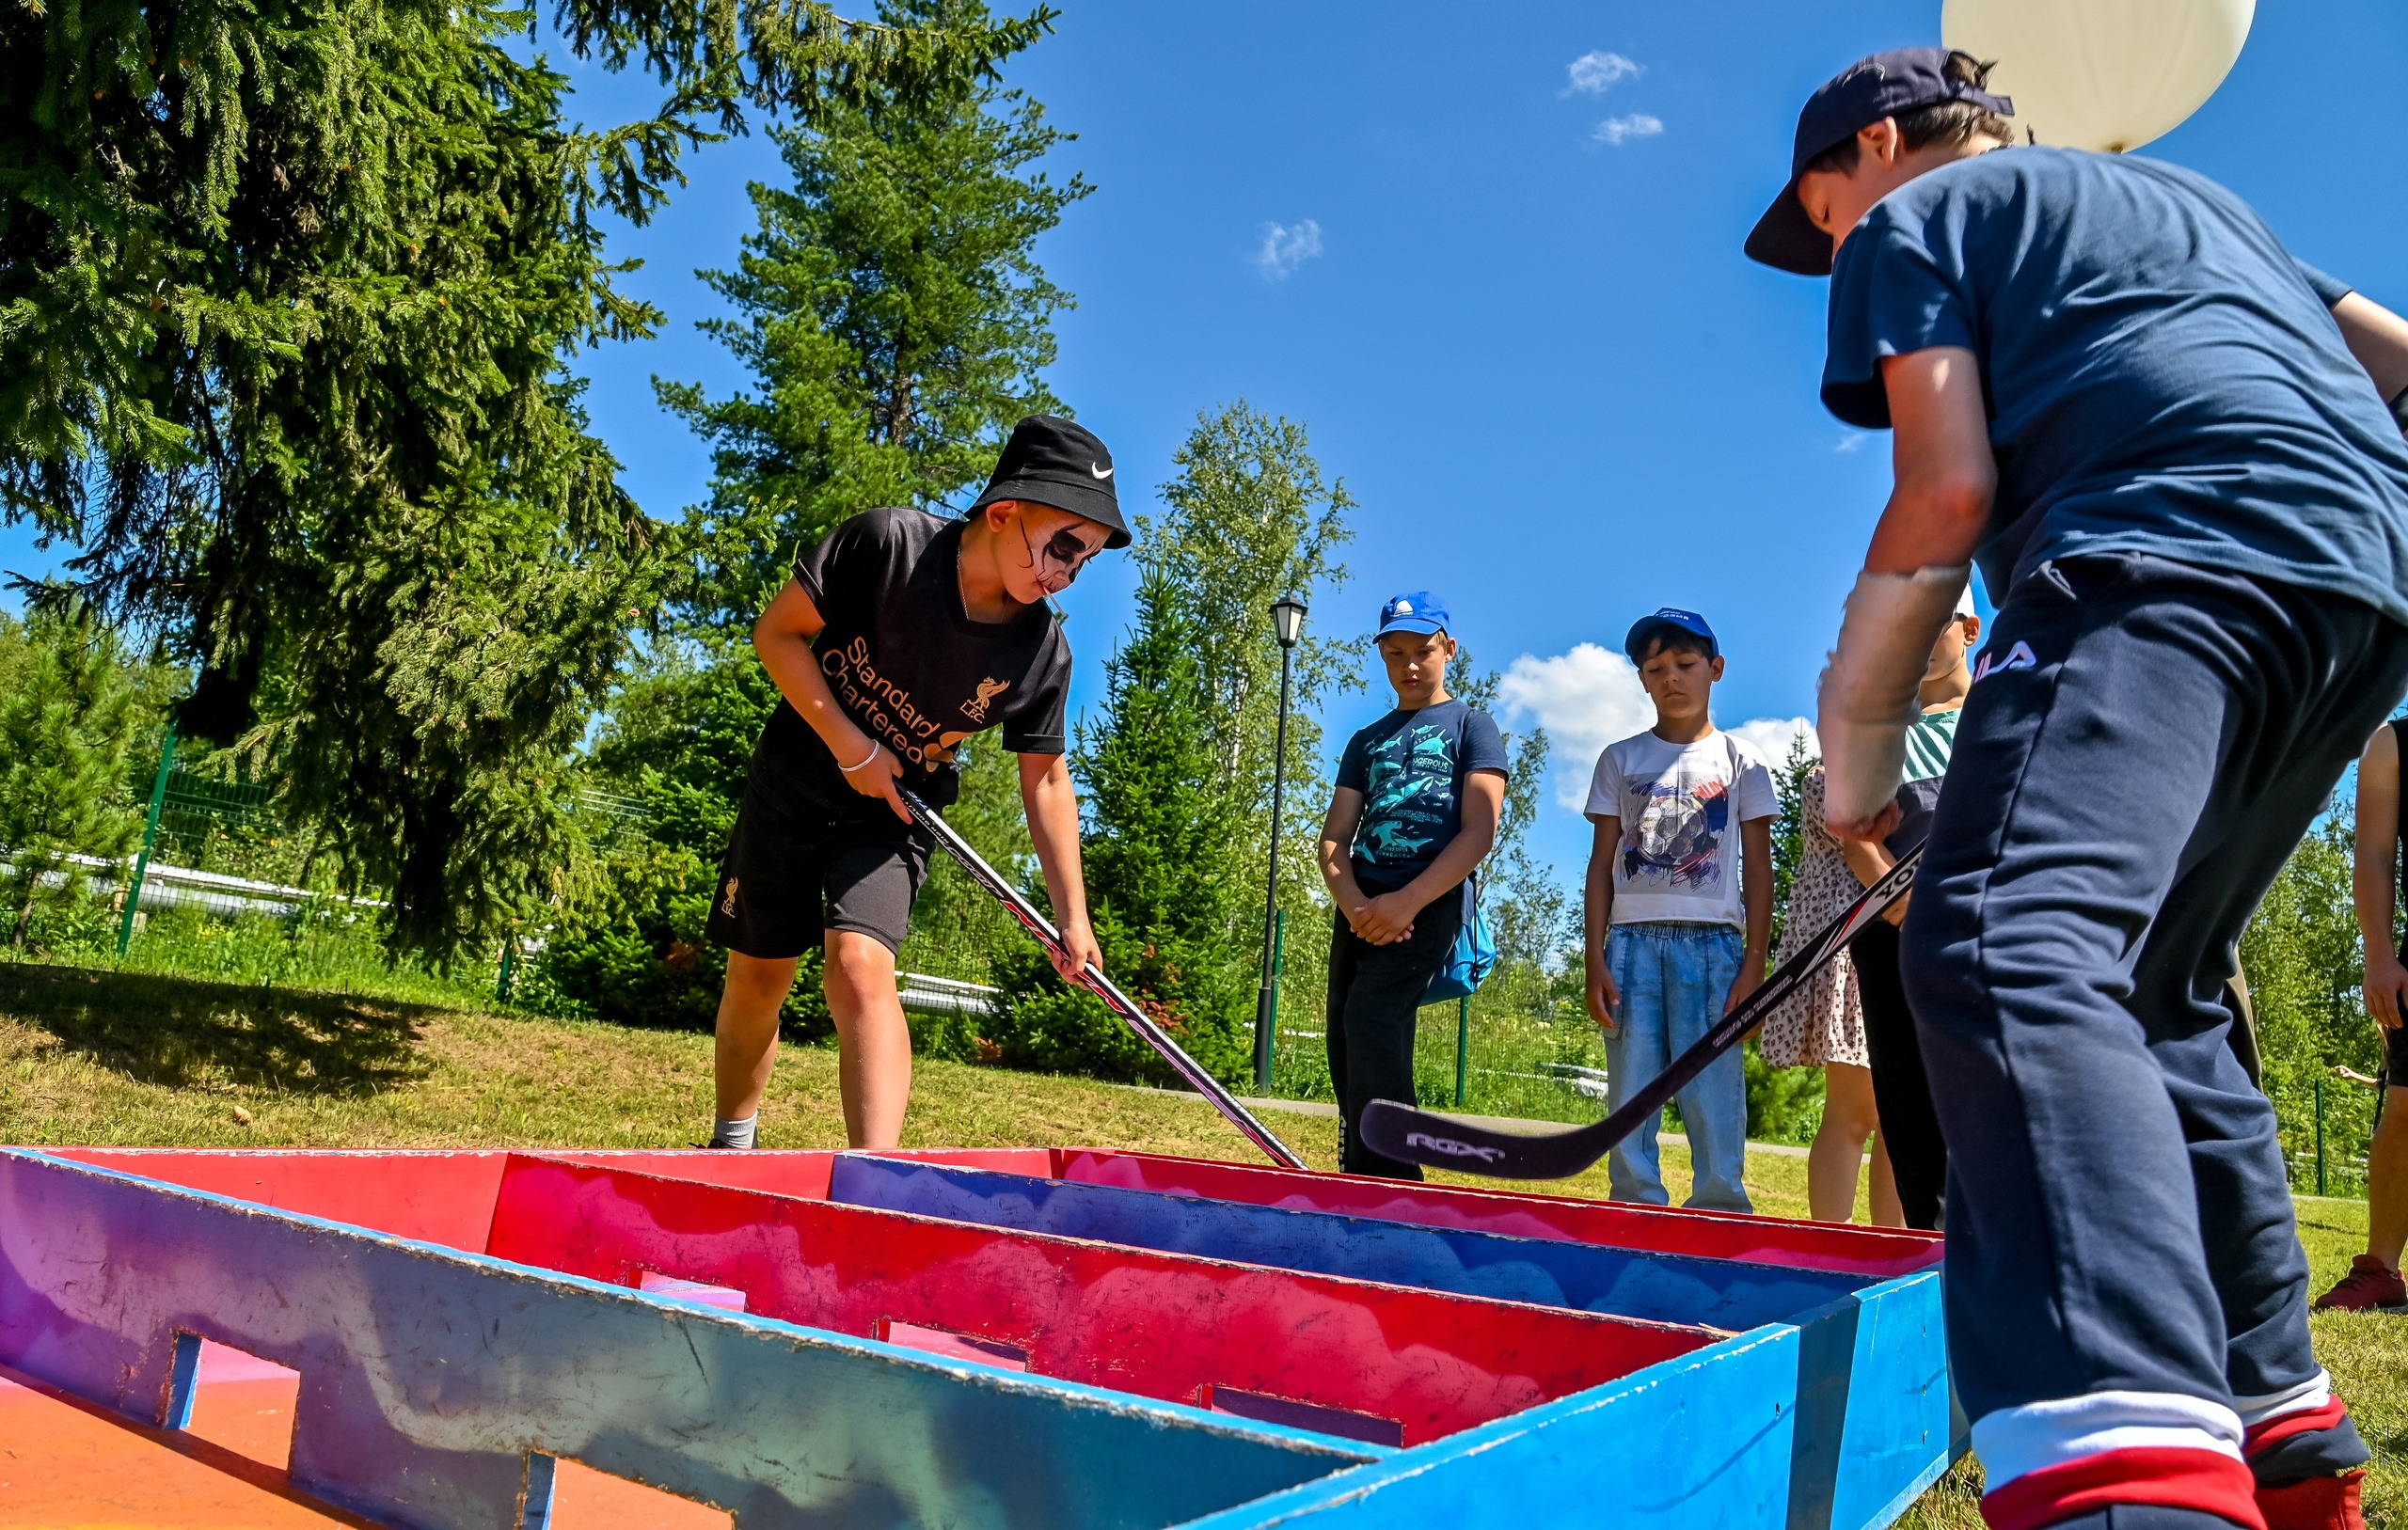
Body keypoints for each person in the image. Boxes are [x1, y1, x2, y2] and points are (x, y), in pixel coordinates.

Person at [1748, 44, 2408, 1530]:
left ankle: (2135, 1478)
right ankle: (2290, 1445)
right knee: (2160, 989)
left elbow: (1948, 489)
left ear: (1854, 157)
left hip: (2158, 546)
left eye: (1823, 217)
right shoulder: (2196, 207)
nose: (1835, 250)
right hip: (2359, 580)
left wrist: (1853, 748)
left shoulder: (1914, 225)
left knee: (1999, 939)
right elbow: (2401, 359)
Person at [703, 416, 1127, 1151]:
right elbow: (777, 634)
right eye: (1063, 544)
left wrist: (1075, 918)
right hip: (795, 777)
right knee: (758, 977)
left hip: (894, 813)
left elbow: (1049, 780)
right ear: (1004, 511)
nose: (1066, 572)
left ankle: (877, 1184)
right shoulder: (886, 545)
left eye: (1084, 560)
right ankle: (732, 1146)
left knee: (860, 964)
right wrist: (850, 744)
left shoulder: (1041, 653)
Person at [1583, 608, 1776, 1214]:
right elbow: (1600, 866)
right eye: (1656, 667)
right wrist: (1596, 958)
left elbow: (1759, 868)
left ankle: (1721, 1211)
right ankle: (1636, 1208)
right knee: (1631, 1090)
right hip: (1631, 946)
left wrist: (1754, 965)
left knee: (1714, 1092)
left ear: (1715, 670)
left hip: (1713, 948)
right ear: (1642, 679)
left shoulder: (1743, 762)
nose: (1672, 677)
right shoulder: (1619, 760)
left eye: (1686, 664)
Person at [1318, 591, 1508, 1179]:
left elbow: (1480, 831)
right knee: (1348, 1032)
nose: (1410, 664)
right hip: (1362, 905)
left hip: (1427, 900)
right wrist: (1357, 906)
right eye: (1394, 652)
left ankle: (1398, 1184)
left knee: (1373, 1015)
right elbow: (1333, 842)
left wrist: (1406, 903)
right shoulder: (1365, 741)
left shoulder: (1472, 726)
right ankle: (1359, 1172)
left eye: (1423, 650)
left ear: (1448, 649)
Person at [1831, 582, 1978, 1232]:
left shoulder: (2004, 712)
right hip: (1893, 939)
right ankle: (1932, 1260)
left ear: (1969, 628)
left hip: (1990, 935)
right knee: (1913, 1118)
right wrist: (1896, 896)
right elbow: (1850, 830)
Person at [1759, 757, 1902, 1227]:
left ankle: (1891, 1252)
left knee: (1898, 1120)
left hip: (1883, 937)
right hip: (1853, 939)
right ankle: (1832, 1244)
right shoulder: (1831, 775)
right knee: (1856, 1112)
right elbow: (1858, 847)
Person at [2316, 718, 2408, 1313]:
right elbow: (2374, 855)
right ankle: (2381, 1271)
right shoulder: (2391, 744)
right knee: (2404, 1107)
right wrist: (2379, 954)